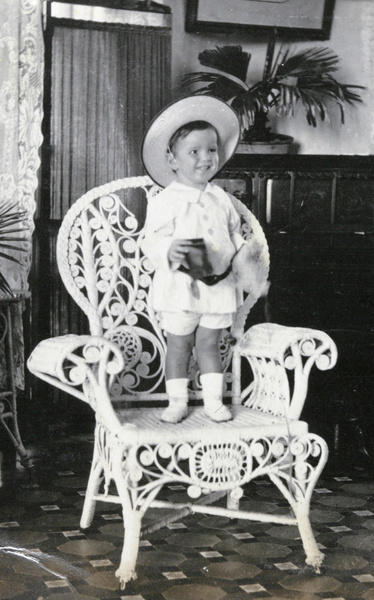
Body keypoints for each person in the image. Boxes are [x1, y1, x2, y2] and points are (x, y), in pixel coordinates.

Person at [141, 96, 249, 424]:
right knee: (179, 344)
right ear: (172, 160)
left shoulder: (221, 199)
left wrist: (244, 258)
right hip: (181, 286)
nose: (205, 158)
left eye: (212, 149)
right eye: (194, 152)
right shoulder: (165, 200)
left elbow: (234, 235)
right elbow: (150, 239)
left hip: (218, 286)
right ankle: (177, 401)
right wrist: (166, 250)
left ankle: (214, 401)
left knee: (210, 343)